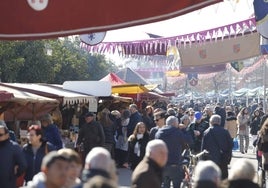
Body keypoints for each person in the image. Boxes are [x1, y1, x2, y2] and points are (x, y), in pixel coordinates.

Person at [155, 116, 193, 188]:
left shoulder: (159, 132)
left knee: (165, 185)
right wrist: (184, 129)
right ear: (175, 123)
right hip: (175, 164)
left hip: (163, 164)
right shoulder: (177, 132)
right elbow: (190, 140)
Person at [201, 114, 233, 180]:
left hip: (210, 159)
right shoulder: (225, 132)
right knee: (223, 179)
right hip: (223, 158)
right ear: (219, 122)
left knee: (211, 179)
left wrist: (202, 160)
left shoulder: (206, 132)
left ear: (211, 122)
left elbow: (203, 148)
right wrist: (228, 156)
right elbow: (231, 145)